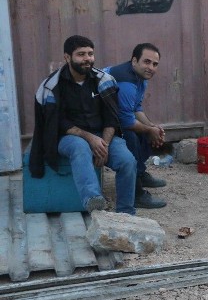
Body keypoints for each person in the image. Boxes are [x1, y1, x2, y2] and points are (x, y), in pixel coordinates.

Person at [30, 35, 136, 214]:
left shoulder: (104, 80)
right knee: (80, 147)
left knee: (127, 161)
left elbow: (111, 118)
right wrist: (89, 138)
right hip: (68, 137)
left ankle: (126, 213)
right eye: (81, 54)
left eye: (90, 54)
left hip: (103, 136)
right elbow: (56, 122)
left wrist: (104, 145)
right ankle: (93, 201)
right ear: (67, 57)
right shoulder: (51, 86)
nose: (87, 58)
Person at [103, 43, 167, 209]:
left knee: (145, 131)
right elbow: (126, 122)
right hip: (96, 123)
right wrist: (149, 130)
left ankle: (140, 173)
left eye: (155, 64)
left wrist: (153, 128)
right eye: (147, 62)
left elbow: (136, 109)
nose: (151, 67)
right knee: (130, 136)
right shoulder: (126, 81)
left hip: (112, 120)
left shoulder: (140, 78)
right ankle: (136, 193)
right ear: (134, 61)